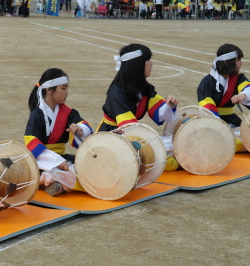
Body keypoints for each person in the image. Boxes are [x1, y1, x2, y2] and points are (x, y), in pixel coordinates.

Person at [96, 44, 179, 171]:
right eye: (148, 60)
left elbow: (159, 113)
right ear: (137, 65)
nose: (151, 64)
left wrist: (169, 104)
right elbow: (128, 126)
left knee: (171, 145)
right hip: (113, 135)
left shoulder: (145, 88)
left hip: (131, 134)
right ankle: (178, 162)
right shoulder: (116, 92)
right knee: (159, 156)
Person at [24, 68, 93, 197]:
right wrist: (55, 161)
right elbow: (32, 145)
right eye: (63, 88)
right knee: (54, 172)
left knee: (85, 164)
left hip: (62, 158)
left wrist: (80, 129)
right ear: (49, 90)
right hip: (42, 161)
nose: (67, 93)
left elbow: (85, 126)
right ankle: (54, 179)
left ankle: (57, 184)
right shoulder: (36, 115)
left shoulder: (68, 112)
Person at [197, 43, 250, 151]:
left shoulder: (239, 79)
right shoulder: (207, 83)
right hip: (213, 123)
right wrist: (220, 129)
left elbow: (247, 87)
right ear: (227, 62)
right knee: (220, 141)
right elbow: (207, 108)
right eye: (238, 60)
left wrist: (243, 95)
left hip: (233, 120)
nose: (241, 63)